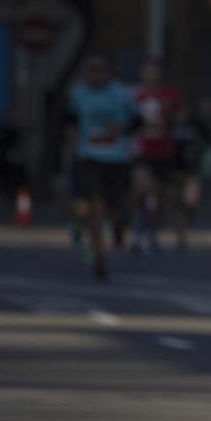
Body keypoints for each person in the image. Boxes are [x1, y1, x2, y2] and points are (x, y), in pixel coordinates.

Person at [65, 53, 140, 280]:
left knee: (115, 209)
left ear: (109, 73)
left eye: (100, 70)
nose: (95, 75)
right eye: (91, 70)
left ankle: (116, 227)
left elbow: (138, 122)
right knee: (95, 205)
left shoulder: (123, 95)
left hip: (118, 159)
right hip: (90, 157)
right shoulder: (79, 93)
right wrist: (72, 136)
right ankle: (99, 255)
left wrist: (122, 128)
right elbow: (69, 119)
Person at [131, 57, 185, 254]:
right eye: (148, 72)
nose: (151, 77)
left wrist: (169, 112)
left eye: (155, 72)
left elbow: (180, 119)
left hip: (164, 151)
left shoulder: (169, 95)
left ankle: (152, 232)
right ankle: (137, 232)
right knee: (144, 189)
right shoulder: (135, 95)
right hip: (141, 151)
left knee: (159, 197)